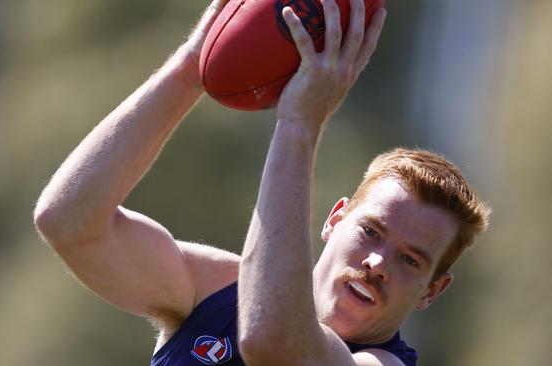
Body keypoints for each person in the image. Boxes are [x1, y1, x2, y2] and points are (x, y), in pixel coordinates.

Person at [34, 0, 490, 365]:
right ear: (335, 219)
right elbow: (70, 222)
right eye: (371, 232)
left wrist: (301, 125)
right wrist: (193, 66)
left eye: (410, 260)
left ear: (432, 290)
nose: (377, 262)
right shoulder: (215, 291)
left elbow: (273, 342)